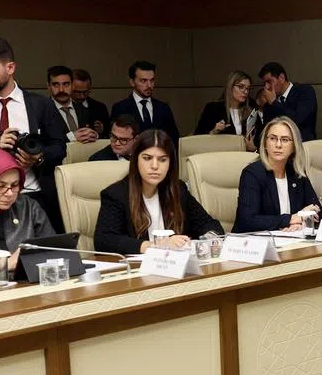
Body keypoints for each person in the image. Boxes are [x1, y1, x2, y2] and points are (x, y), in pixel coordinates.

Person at [0, 36, 67, 232]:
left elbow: (60, 147)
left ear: (10, 68)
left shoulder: (41, 104)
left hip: (38, 197)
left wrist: (38, 158)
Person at [94, 130, 223, 255]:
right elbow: (104, 240)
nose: (155, 166)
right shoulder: (116, 195)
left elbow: (209, 224)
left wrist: (207, 241)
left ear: (170, 163)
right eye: (147, 158)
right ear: (135, 161)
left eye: (162, 160)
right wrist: (155, 246)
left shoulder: (178, 189)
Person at [234, 117, 322, 233]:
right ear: (265, 143)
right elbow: (247, 220)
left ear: (294, 146)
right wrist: (291, 219)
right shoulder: (253, 174)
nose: (278, 145)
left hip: (290, 240)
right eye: (273, 138)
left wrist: (303, 222)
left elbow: (318, 210)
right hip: (254, 243)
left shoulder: (297, 173)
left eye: (285, 140)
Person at [110, 60, 181, 143]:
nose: (149, 85)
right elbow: (115, 139)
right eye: (144, 81)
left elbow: (174, 139)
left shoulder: (163, 108)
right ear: (132, 82)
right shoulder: (120, 108)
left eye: (152, 80)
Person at [253, 62, 317, 143]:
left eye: (269, 81)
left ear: (282, 78)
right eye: (264, 83)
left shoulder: (304, 91)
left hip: (302, 147)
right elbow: (266, 131)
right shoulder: (270, 102)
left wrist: (274, 103)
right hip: (278, 150)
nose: (266, 87)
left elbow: (297, 119)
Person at [194, 70, 257, 148]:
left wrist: (253, 148)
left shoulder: (251, 110)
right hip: (221, 156)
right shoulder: (213, 109)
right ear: (230, 87)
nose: (245, 91)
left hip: (244, 157)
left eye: (248, 88)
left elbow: (260, 139)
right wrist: (214, 131)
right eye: (241, 87)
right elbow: (197, 138)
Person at [48, 65, 97, 144]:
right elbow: (43, 142)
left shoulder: (83, 109)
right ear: (49, 87)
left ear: (72, 85)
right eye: (56, 84)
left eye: (66, 84)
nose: (61, 90)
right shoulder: (42, 111)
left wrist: (94, 135)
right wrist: (71, 137)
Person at [71, 68, 109, 137]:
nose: (81, 96)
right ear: (69, 87)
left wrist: (102, 130)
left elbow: (109, 135)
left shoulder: (100, 107)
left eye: (85, 92)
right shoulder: (59, 108)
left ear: (90, 88)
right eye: (77, 92)